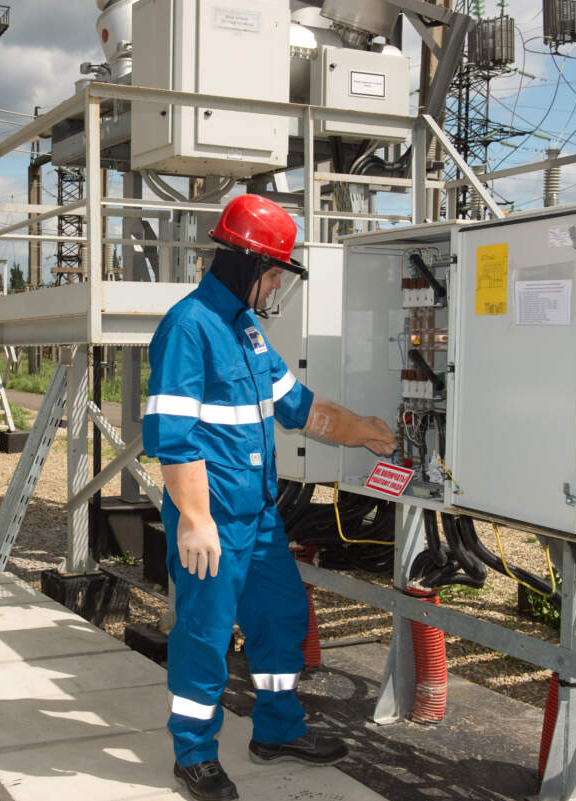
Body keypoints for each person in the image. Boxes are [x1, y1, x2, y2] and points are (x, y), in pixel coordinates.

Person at [144, 194, 397, 801]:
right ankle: (194, 755)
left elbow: (301, 409)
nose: (278, 284)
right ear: (246, 264)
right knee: (204, 636)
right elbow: (172, 439)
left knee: (281, 616)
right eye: (276, 272)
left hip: (256, 518)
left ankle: (277, 731)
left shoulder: (248, 331)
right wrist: (196, 521)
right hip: (213, 520)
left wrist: (368, 432)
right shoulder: (189, 328)